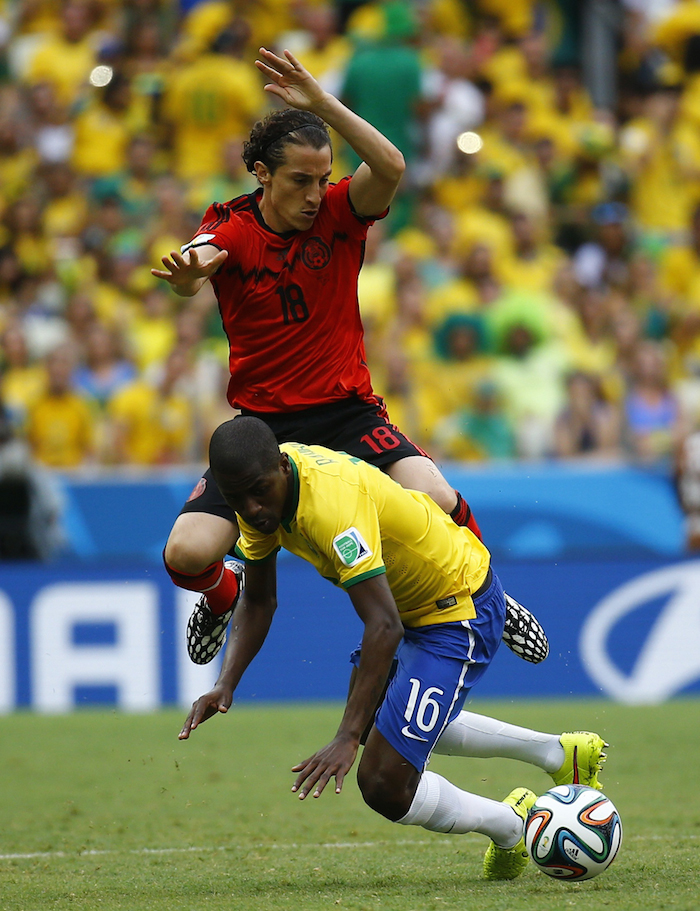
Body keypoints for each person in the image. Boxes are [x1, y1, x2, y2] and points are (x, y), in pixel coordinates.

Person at [151, 47, 542, 668]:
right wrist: (186, 275)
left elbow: (391, 164)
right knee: (186, 554)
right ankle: (223, 595)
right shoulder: (232, 226)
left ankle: (489, 593)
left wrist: (323, 105)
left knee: (438, 498)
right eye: (299, 181)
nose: (315, 194)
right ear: (261, 174)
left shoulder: (340, 212)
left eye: (322, 177)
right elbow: (200, 258)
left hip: (347, 414)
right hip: (265, 431)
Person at [178, 417, 608, 880]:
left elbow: (382, 626)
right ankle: (557, 756)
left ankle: (511, 827)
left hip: (456, 606)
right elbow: (260, 599)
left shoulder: (331, 508)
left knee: (384, 782)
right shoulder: (261, 490)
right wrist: (226, 683)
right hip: (410, 605)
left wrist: (345, 737)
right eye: (237, 498)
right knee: (379, 721)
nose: (252, 508)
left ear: (282, 467)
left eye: (259, 492)